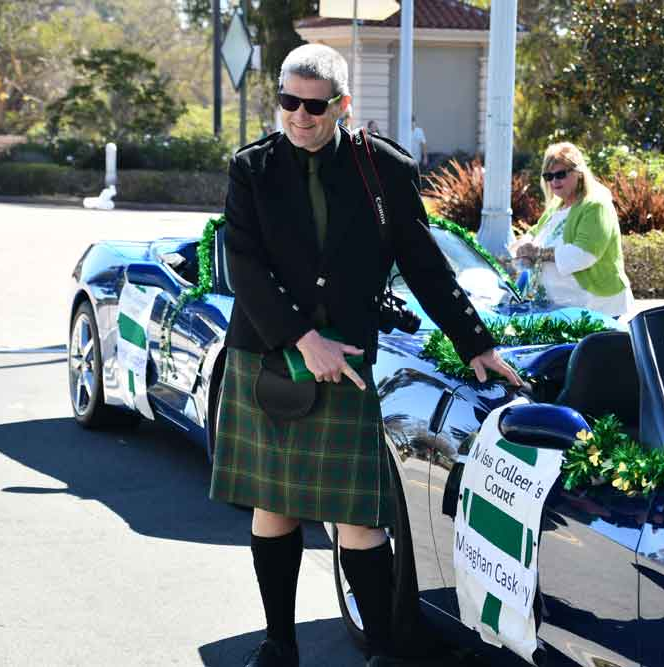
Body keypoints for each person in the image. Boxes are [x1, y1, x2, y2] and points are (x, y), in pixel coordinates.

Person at [209, 43, 521, 667]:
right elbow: (242, 265)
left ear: (343, 105)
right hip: (271, 355)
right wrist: (303, 338)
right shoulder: (252, 168)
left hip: (348, 359)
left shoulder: (384, 169)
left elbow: (423, 263)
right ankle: (280, 643)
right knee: (275, 507)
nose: (300, 116)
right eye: (289, 103)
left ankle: (382, 649)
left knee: (359, 516)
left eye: (314, 106)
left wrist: (475, 342)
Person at [510, 142, 634, 318]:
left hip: (596, 310)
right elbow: (534, 233)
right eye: (549, 176)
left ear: (579, 173)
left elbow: (583, 255)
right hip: (560, 310)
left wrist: (538, 254)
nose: (554, 181)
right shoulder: (557, 206)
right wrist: (523, 248)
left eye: (560, 174)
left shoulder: (595, 205)